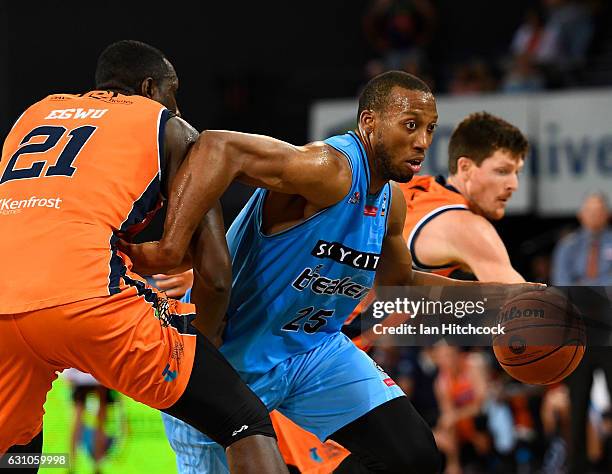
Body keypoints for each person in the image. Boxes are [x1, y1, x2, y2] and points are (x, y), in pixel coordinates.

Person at [121, 71, 539, 473]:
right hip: (228, 361)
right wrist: (171, 247)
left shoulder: (392, 200)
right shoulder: (330, 169)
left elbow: (401, 284)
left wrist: (496, 296)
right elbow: (217, 147)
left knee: (413, 457)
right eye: (410, 125)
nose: (422, 142)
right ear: (369, 123)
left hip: (312, 351)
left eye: (430, 129)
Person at [0, 40, 287, 474]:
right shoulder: (170, 127)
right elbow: (216, 275)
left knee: (16, 446)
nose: (177, 103)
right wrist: (204, 348)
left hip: (5, 300)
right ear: (151, 88)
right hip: (87, 297)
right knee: (244, 422)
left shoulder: (32, 114)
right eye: (174, 91)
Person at [400, 111, 528, 283]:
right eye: (502, 171)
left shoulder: (405, 188)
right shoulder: (468, 227)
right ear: (465, 167)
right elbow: (526, 302)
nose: (514, 184)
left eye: (517, 173)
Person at [551, 192, 612, 474]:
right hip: (579, 336)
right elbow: (562, 287)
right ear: (581, 215)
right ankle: (577, 467)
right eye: (589, 209)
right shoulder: (568, 246)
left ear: (606, 215)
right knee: (576, 405)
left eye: (599, 209)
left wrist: (584, 288)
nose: (594, 214)